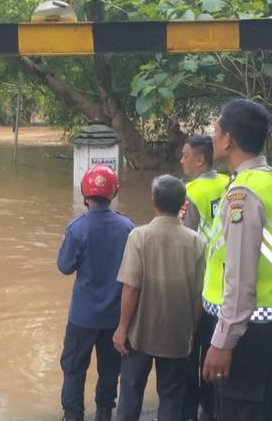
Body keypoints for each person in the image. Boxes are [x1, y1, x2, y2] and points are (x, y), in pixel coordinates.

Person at [200, 99, 272, 421]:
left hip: (246, 333)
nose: (213, 137)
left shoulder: (244, 195)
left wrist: (222, 342)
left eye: (216, 130)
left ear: (228, 139)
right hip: (271, 326)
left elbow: (240, 276)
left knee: (238, 410)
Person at [114, 175, 206, 421]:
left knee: (131, 394)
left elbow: (131, 287)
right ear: (182, 203)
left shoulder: (139, 236)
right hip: (176, 334)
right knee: (171, 396)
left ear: (153, 200)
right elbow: (198, 296)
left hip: (140, 332)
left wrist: (122, 328)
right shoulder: (196, 241)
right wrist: (191, 329)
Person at [58, 164, 135, 421]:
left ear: (84, 193)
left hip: (82, 317)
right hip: (115, 317)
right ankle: (104, 414)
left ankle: (73, 416)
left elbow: (65, 266)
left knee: (73, 369)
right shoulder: (128, 227)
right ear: (113, 193)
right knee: (110, 371)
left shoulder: (77, 227)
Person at [177, 135, 230, 421]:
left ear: (200, 159)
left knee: (191, 349)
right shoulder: (228, 183)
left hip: (198, 283)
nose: (181, 160)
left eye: (185, 155)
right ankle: (212, 408)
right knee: (214, 350)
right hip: (223, 285)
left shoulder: (191, 191)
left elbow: (184, 239)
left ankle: (188, 410)